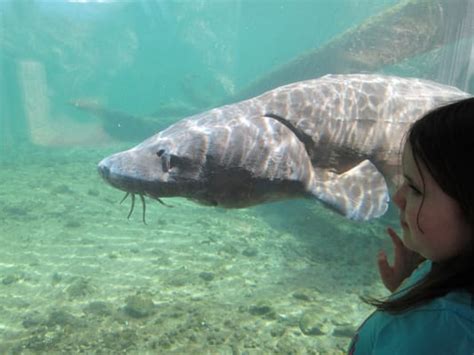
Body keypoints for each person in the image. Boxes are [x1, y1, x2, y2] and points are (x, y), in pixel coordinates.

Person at [348, 97, 474, 354]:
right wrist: (410, 287)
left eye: (415, 188)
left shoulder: (440, 333)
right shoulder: (448, 267)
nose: (398, 197)